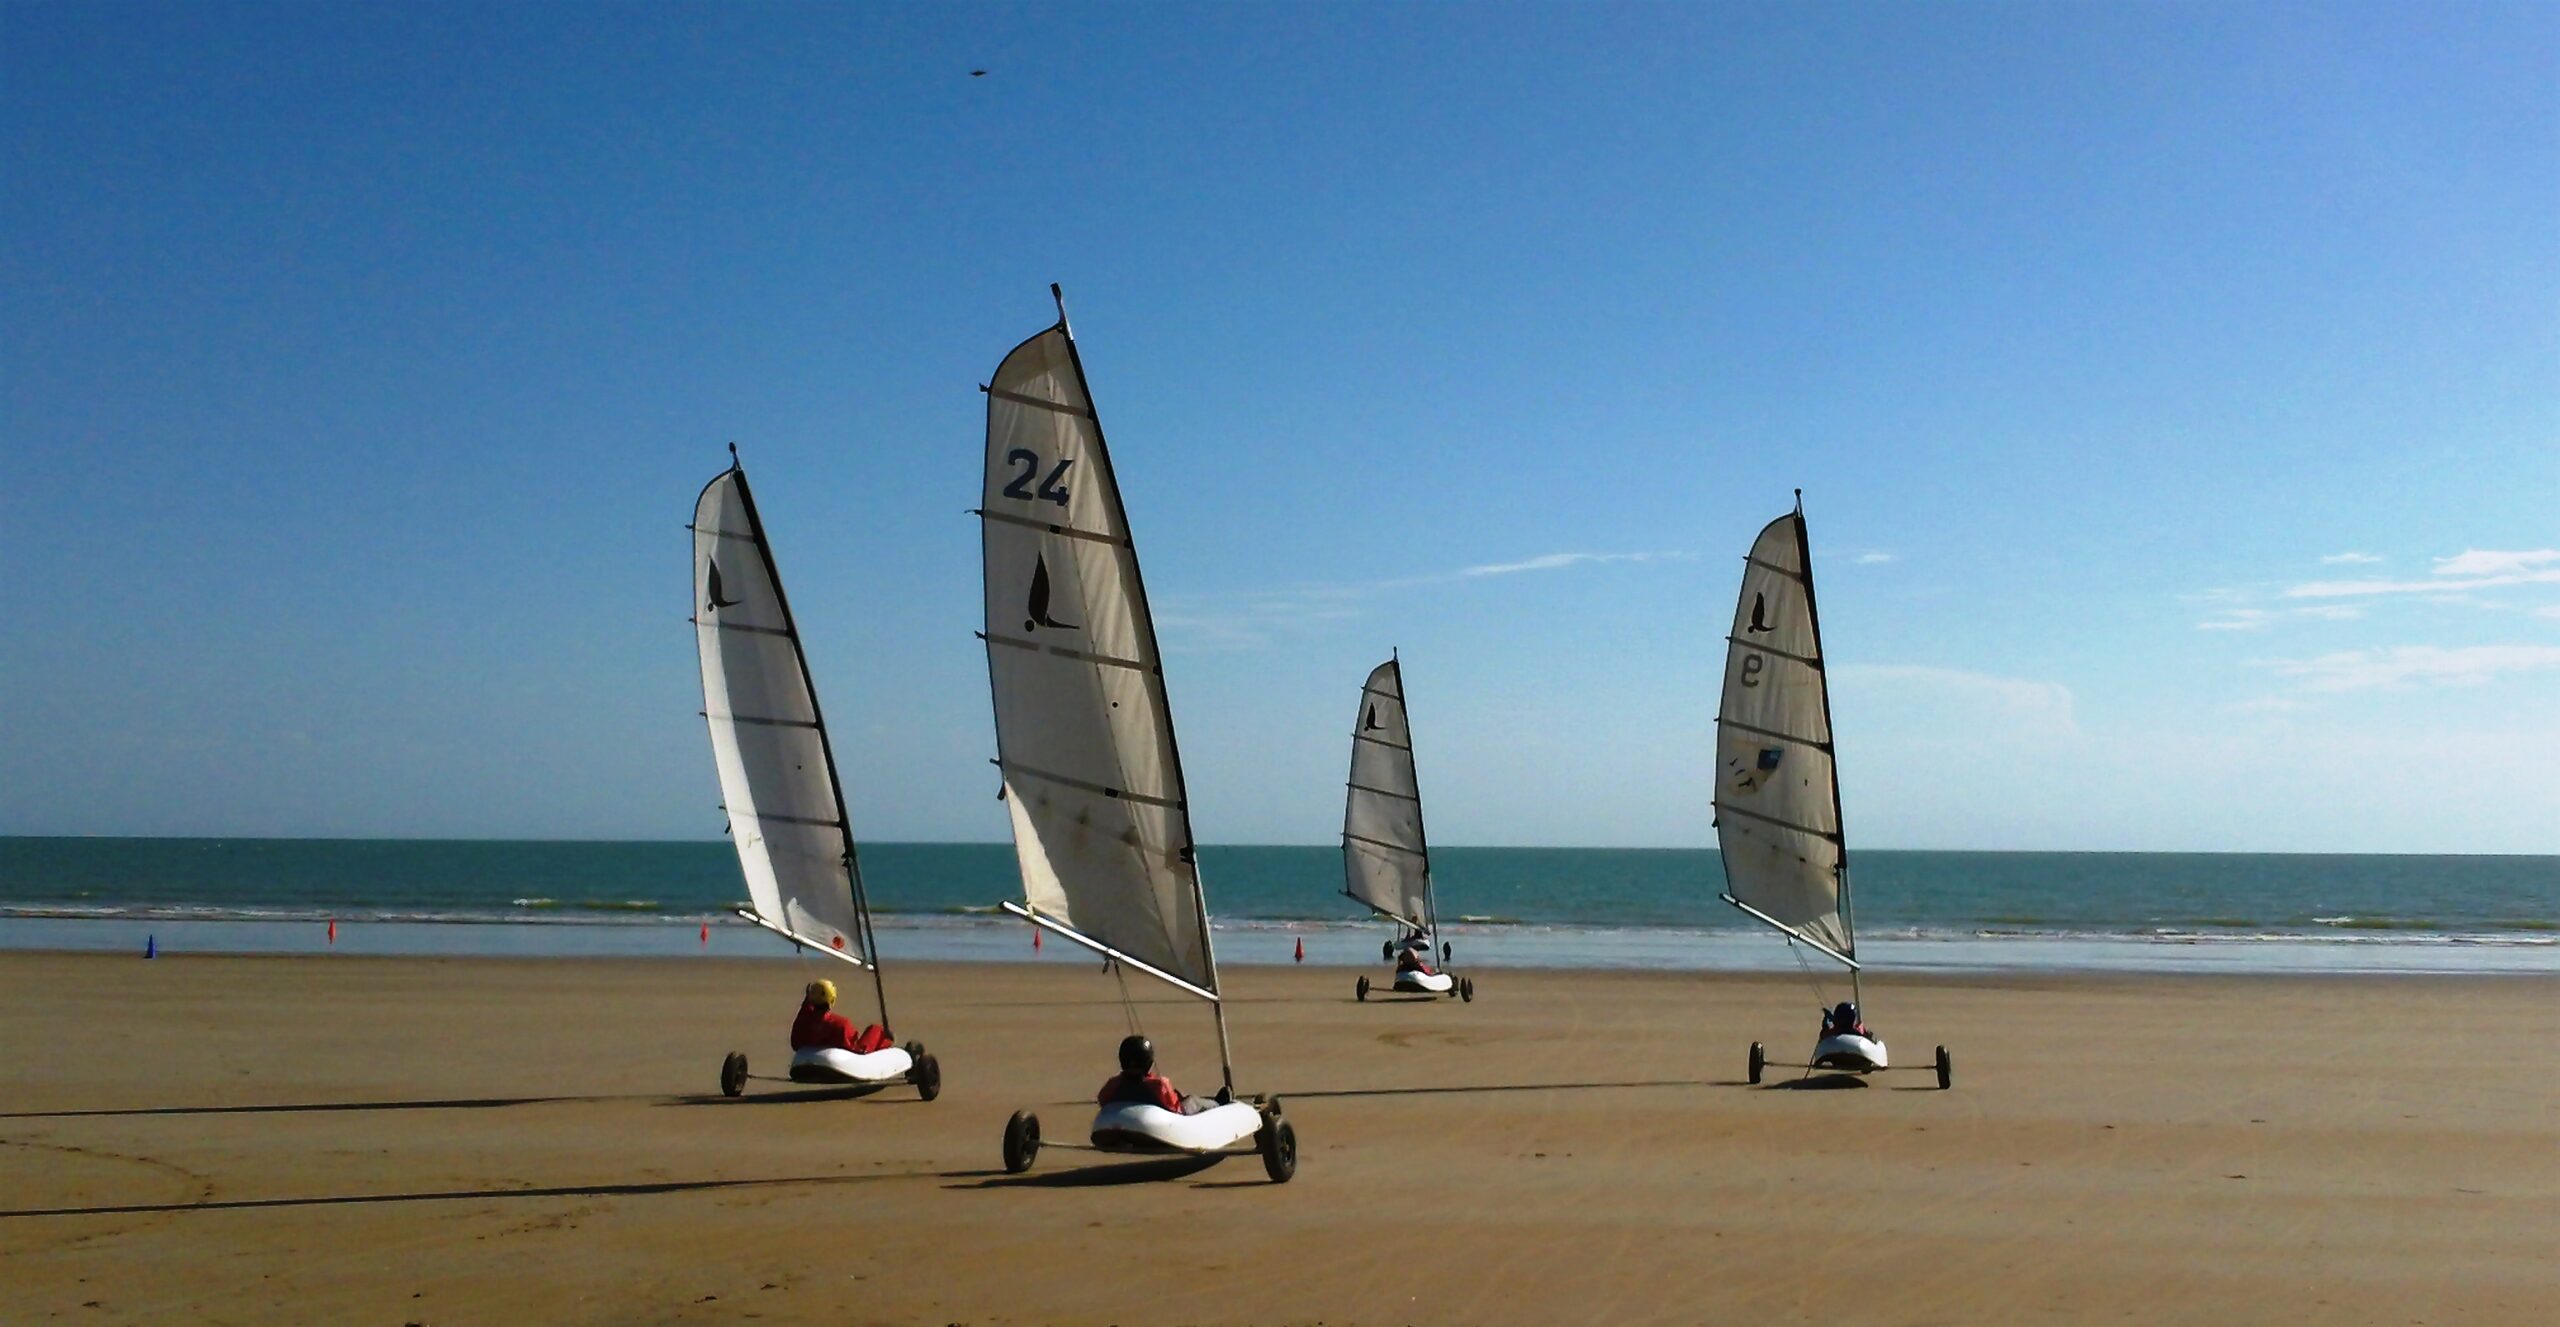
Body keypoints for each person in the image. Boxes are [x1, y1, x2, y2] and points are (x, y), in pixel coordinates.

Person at [1096, 1034, 1222, 1115]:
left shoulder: (1113, 1084)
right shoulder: (1158, 1085)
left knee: (1180, 1094)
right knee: (1192, 1100)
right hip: (1163, 1116)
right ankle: (1218, 1104)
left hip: (1127, 1116)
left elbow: (1102, 1101)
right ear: (1148, 1061)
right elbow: (1176, 1109)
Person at [791, 979, 891, 1055]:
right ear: (832, 1000)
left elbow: (795, 1043)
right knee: (876, 1029)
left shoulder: (804, 1019)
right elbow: (855, 1050)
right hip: (840, 1057)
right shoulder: (841, 1024)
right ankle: (887, 1043)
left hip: (808, 1055)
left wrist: (808, 998)